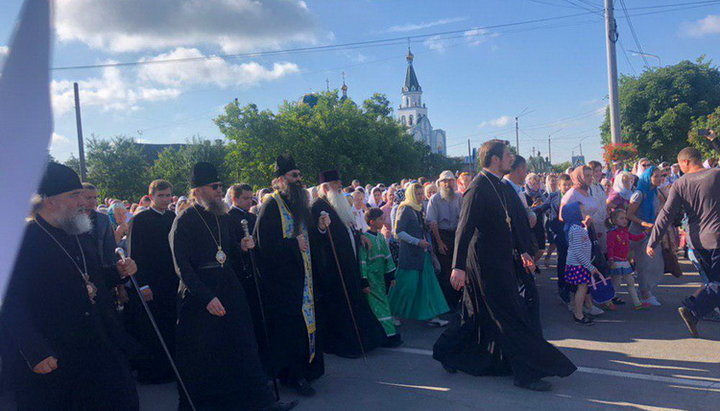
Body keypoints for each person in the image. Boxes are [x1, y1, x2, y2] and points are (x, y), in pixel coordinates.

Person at [432, 140, 576, 392]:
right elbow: (463, 230)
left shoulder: (500, 186)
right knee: (510, 314)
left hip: (501, 259)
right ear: (495, 160)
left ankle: (446, 350)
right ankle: (525, 373)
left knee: (474, 311)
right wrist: (458, 267)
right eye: (508, 155)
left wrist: (523, 251)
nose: (512, 158)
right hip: (484, 263)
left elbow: (513, 222)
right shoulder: (477, 188)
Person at [1, 162, 140, 410]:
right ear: (48, 200)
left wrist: (118, 273)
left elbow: (91, 281)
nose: (84, 201)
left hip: (100, 343)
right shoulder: (22, 241)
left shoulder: (79, 234)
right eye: (74, 195)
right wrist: (34, 350)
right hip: (57, 352)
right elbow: (12, 302)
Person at [170, 162, 296, 411]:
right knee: (206, 357)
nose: (219, 190)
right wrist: (206, 297)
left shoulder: (222, 217)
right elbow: (182, 268)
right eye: (214, 186)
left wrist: (243, 247)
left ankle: (261, 403)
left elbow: (228, 254)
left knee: (244, 348)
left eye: (220, 185)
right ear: (197, 190)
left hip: (229, 289)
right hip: (200, 297)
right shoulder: (184, 221)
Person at [254, 156, 324, 396]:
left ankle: (308, 369)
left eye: (299, 176)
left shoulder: (300, 204)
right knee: (291, 330)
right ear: (281, 180)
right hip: (283, 283)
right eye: (294, 176)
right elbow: (264, 245)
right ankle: (293, 376)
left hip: (303, 278)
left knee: (306, 326)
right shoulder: (271, 205)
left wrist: (321, 229)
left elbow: (309, 236)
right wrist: (294, 245)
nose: (298, 180)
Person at [311, 169, 387, 358]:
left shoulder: (339, 203)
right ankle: (345, 343)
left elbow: (349, 226)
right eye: (336, 184)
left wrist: (360, 236)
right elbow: (315, 237)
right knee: (340, 307)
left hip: (349, 263)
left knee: (355, 301)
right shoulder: (317, 206)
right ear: (325, 187)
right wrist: (320, 228)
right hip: (333, 268)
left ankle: (366, 339)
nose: (339, 186)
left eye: (339, 183)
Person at [647, 146, 720, 337]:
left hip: (696, 242)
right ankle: (693, 306)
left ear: (686, 162)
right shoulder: (715, 175)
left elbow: (666, 214)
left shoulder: (680, 183)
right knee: (717, 282)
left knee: (713, 281)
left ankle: (695, 312)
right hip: (717, 237)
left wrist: (652, 241)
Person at [126, 179, 178, 384]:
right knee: (152, 329)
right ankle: (153, 372)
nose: (165, 200)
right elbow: (135, 255)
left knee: (170, 325)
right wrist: (142, 284)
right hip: (151, 281)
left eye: (168, 196)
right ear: (151, 197)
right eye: (161, 196)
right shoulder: (140, 220)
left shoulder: (173, 217)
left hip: (171, 280)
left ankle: (171, 369)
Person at [389, 182, 450, 326]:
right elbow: (399, 232)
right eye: (417, 193)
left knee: (428, 285)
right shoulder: (405, 209)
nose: (420, 196)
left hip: (423, 254)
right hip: (410, 256)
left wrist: (428, 227)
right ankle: (391, 313)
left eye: (421, 193)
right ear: (410, 194)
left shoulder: (419, 208)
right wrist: (417, 242)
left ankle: (430, 316)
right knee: (405, 286)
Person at [359, 208, 402, 347]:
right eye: (380, 219)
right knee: (378, 306)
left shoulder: (381, 237)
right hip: (371, 278)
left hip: (380, 278)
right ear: (372, 222)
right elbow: (363, 261)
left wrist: (391, 275)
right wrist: (364, 280)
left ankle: (386, 334)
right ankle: (387, 335)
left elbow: (387, 257)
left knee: (382, 304)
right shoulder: (365, 239)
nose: (383, 221)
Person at [626, 166, 664, 307]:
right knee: (643, 263)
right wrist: (643, 223)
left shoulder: (654, 192)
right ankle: (644, 293)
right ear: (648, 178)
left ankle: (647, 290)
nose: (659, 179)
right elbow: (629, 214)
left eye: (660, 176)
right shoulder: (639, 194)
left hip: (651, 231)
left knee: (652, 262)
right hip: (638, 232)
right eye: (656, 176)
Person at [426, 170, 462, 309]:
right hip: (442, 236)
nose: (447, 184)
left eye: (450, 181)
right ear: (439, 183)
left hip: (458, 235)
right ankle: (449, 303)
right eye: (444, 181)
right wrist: (439, 242)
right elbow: (432, 223)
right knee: (446, 270)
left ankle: (461, 299)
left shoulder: (459, 197)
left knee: (460, 267)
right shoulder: (434, 199)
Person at [562, 203, 601, 325]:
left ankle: (577, 310)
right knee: (582, 288)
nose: (585, 213)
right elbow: (578, 251)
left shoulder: (575, 227)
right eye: (582, 211)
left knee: (577, 289)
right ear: (575, 214)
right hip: (579, 265)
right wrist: (590, 267)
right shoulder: (577, 229)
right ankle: (578, 314)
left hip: (577, 264)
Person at [606, 209, 650, 310]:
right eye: (621, 218)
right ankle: (608, 301)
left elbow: (635, 238)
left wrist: (645, 233)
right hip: (616, 261)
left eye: (625, 218)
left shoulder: (625, 232)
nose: (625, 220)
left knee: (630, 282)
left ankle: (637, 303)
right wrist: (611, 260)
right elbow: (610, 247)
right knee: (616, 283)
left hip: (624, 261)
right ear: (614, 220)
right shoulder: (612, 233)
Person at [588, 161, 609, 253]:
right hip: (592, 223)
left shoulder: (601, 187)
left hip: (602, 222)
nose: (598, 173)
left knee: (603, 249)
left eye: (600, 170)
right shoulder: (588, 187)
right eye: (595, 171)